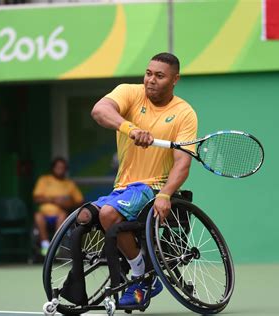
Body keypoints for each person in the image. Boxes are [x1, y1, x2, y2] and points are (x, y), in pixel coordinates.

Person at [84, 52, 198, 306]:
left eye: (160, 76)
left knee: (108, 215)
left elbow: (182, 163)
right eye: (148, 73)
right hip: (121, 188)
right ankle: (75, 291)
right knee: (83, 217)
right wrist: (130, 128)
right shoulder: (129, 92)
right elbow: (100, 110)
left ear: (175, 79)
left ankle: (141, 273)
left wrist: (166, 194)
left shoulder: (184, 113)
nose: (151, 80)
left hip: (153, 186)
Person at [33, 157, 84, 256]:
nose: (60, 170)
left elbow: (80, 202)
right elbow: (37, 198)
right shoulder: (44, 180)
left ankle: (55, 245)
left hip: (60, 215)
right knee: (38, 216)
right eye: (58, 167)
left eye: (62, 168)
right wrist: (55, 200)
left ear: (66, 169)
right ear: (53, 168)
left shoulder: (69, 184)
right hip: (44, 215)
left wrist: (67, 203)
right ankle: (45, 244)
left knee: (63, 215)